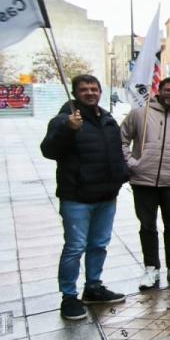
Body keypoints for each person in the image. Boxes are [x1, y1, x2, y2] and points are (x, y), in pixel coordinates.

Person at [40, 75, 129, 321]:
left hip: (106, 196)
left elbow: (116, 153)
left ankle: (93, 287)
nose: (90, 93)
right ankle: (69, 296)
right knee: (75, 247)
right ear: (75, 92)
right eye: (84, 89)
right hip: (77, 197)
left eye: (94, 89)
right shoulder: (63, 120)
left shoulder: (108, 119)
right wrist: (69, 130)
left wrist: (122, 174)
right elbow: (49, 151)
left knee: (99, 245)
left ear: (100, 92)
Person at [120, 77, 170, 290]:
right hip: (143, 180)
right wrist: (132, 162)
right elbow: (122, 139)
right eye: (168, 90)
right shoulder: (139, 114)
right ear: (159, 90)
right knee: (147, 226)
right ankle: (151, 267)